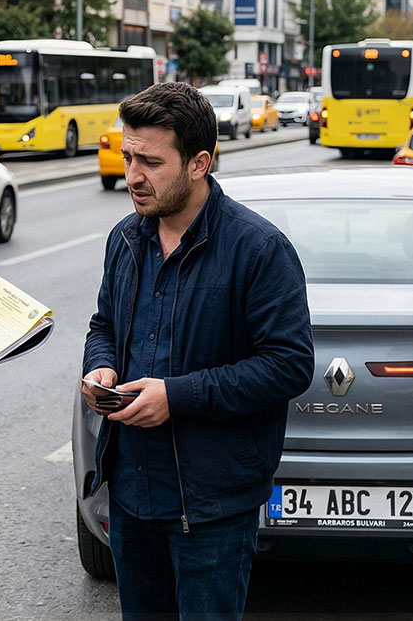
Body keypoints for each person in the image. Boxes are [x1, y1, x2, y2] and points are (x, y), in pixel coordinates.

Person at [80, 82, 314, 619]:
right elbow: (104, 324)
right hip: (131, 492)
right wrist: (101, 366)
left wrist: (177, 396)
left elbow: (290, 364)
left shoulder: (258, 249)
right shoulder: (125, 239)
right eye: (128, 156)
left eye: (151, 162)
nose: (132, 175)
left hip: (210, 503)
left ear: (199, 163)